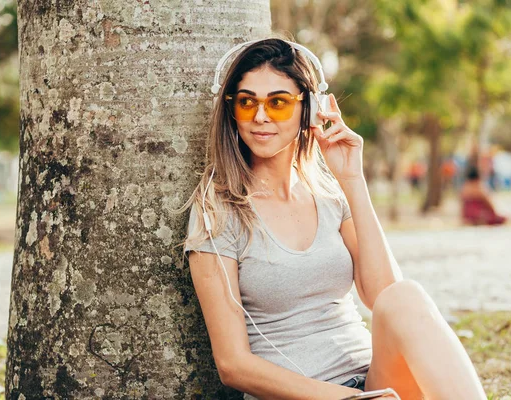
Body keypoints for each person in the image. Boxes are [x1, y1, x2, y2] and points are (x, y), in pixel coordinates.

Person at [181, 38, 486, 400]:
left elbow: (382, 295)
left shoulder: (328, 193)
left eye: (277, 103)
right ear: (232, 110)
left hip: (374, 383)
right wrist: (344, 398)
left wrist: (352, 180)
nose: (260, 116)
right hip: (308, 396)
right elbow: (232, 364)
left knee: (405, 296)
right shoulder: (216, 209)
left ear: (307, 108)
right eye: (247, 102)